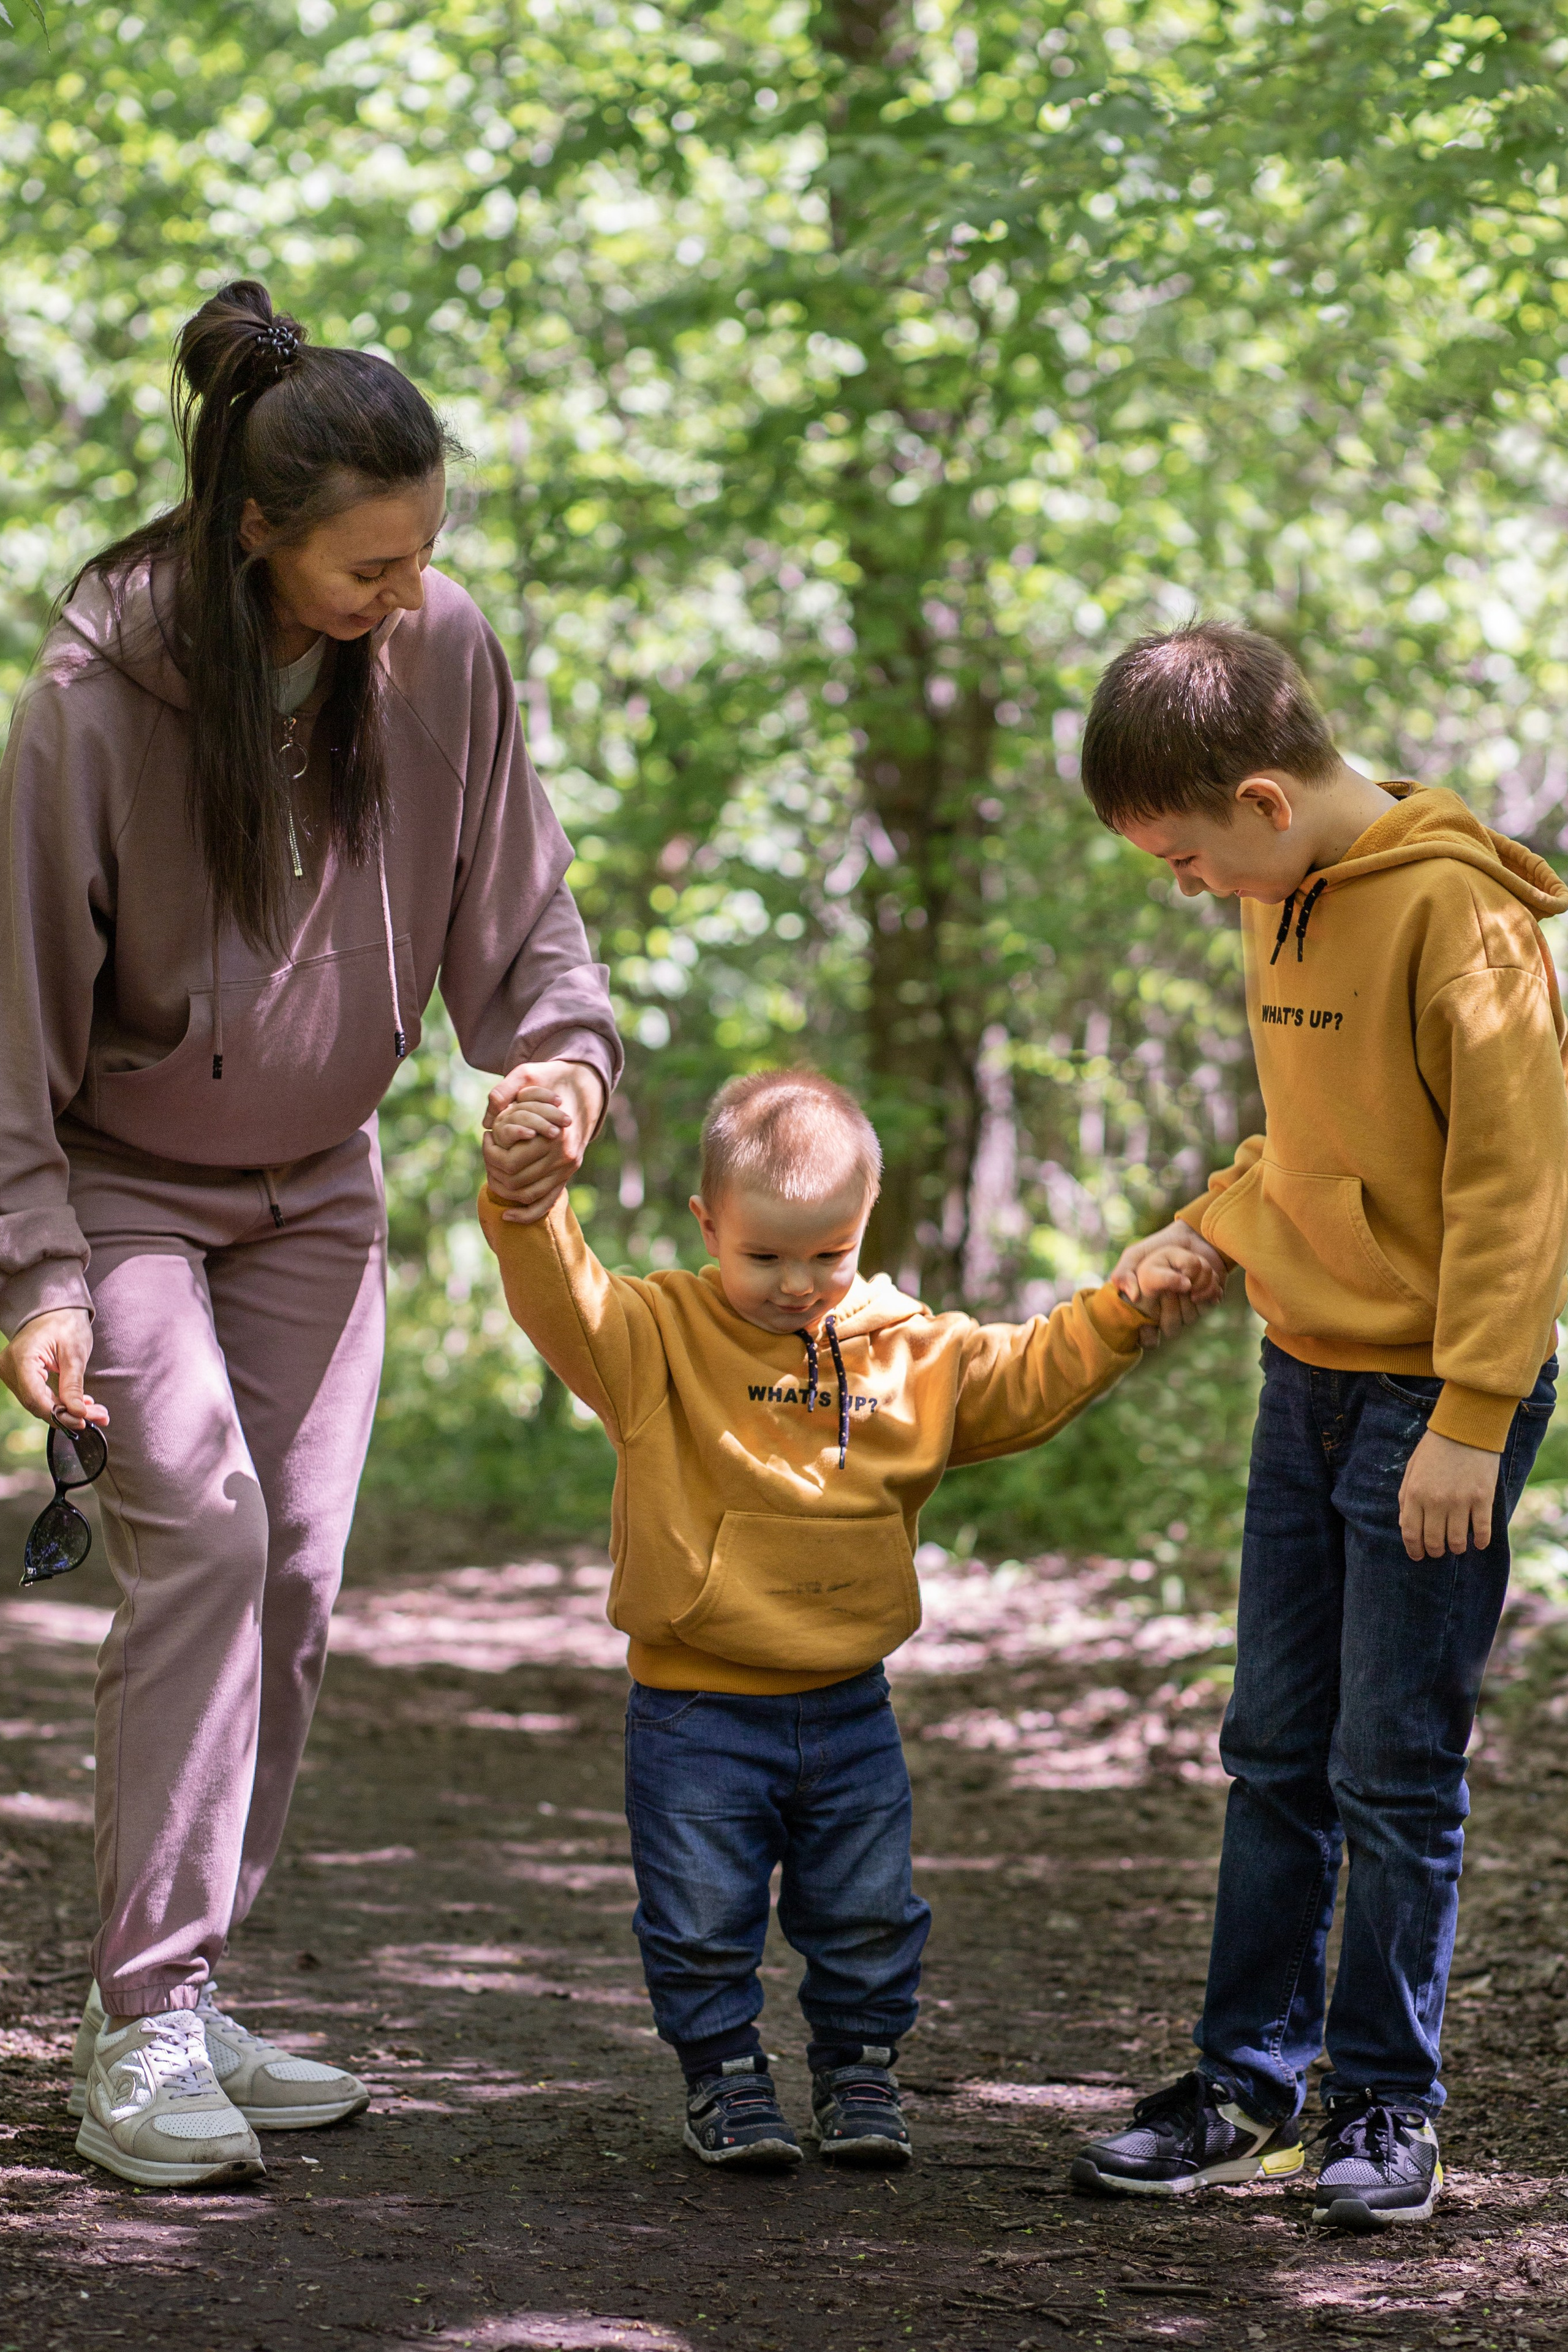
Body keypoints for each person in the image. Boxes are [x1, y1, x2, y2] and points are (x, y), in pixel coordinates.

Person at [0, 282, 622, 2188]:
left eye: (428, 551)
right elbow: (10, 1018)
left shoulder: (441, 660)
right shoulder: (88, 715)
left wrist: (562, 1077)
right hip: (122, 1185)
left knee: (292, 1584)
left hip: (320, 1193)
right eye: (371, 562)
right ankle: (146, 2022)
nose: (408, 590)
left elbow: (524, 935)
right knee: (205, 1535)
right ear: (257, 531)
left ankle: (173, 1992)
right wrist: (33, 1272)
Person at [477, 1067, 1212, 2168]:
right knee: (697, 1919)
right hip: (695, 1713)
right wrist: (526, 1201)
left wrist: (1121, 1309)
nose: (795, 1284)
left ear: (865, 1226)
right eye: (763, 1255)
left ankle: (860, 2073)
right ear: (708, 1224)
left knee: (870, 1914)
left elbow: (1019, 1376)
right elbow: (560, 1289)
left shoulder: (909, 1349)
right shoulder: (654, 1337)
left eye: (828, 1254)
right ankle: (725, 2078)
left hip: (849, 1705)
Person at [1067, 623, 1568, 2230]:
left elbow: (1515, 1186)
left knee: (1392, 1764)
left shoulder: (1460, 917)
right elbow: (1311, 1139)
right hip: (1312, 1371)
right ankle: (1245, 2084)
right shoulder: (1287, 900)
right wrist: (1212, 1226)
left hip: (1440, 1395)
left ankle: (1386, 2106)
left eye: (1190, 857)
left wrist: (1477, 1416)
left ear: (1267, 801)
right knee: (1273, 1746)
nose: (1190, 888)